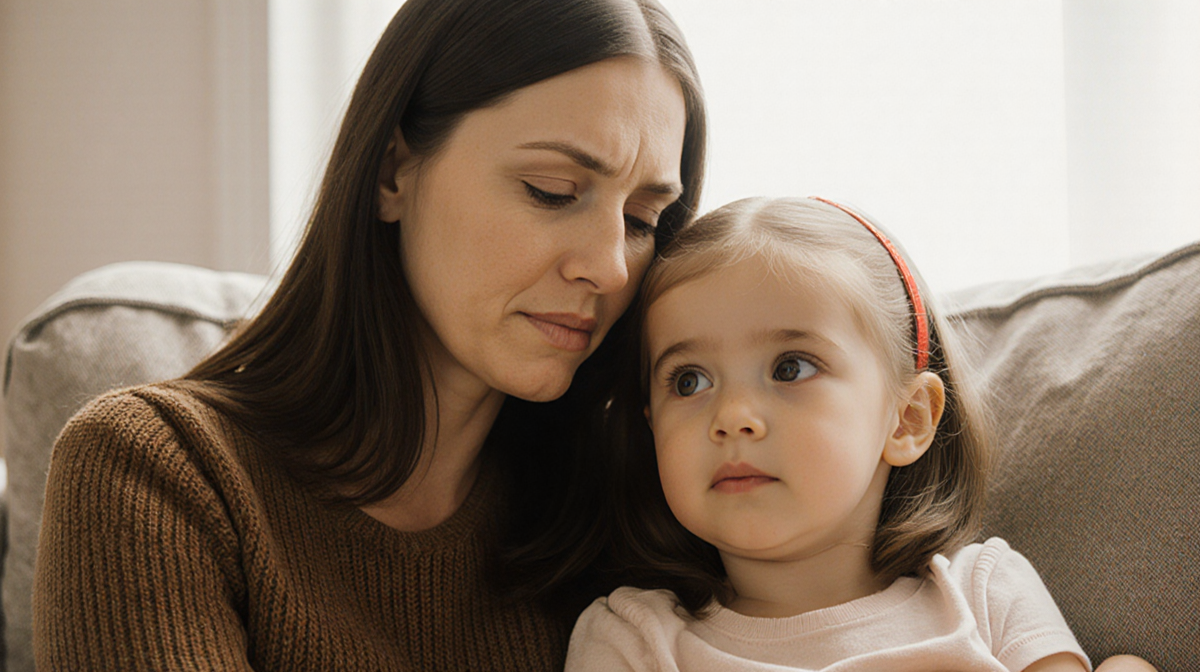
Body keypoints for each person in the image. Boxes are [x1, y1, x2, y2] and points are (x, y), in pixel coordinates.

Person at [31, 0, 705, 669]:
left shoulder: (632, 510)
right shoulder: (156, 472)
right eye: (551, 190)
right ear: (392, 172)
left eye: (644, 219)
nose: (610, 266)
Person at [564, 197, 1157, 671]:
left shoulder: (985, 595)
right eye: (689, 381)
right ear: (650, 426)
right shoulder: (633, 640)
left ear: (908, 420)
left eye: (790, 367)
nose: (733, 415)